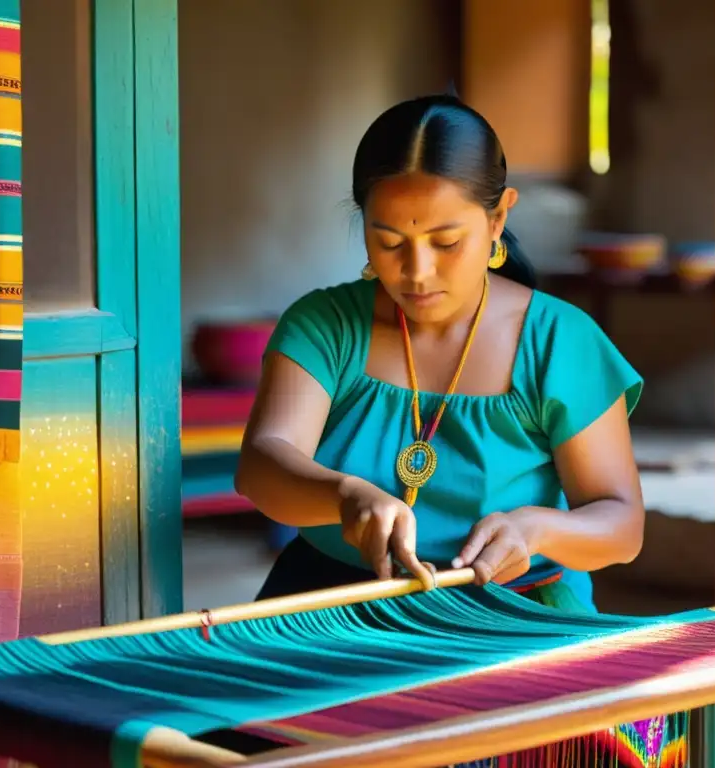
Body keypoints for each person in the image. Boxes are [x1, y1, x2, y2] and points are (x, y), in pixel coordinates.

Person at [235, 94, 653, 765]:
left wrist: (538, 529)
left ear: (499, 219)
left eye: (446, 242)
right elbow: (263, 462)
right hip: (333, 604)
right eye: (389, 241)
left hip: (511, 614)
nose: (417, 270)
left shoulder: (557, 341)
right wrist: (346, 496)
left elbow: (621, 524)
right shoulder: (326, 326)